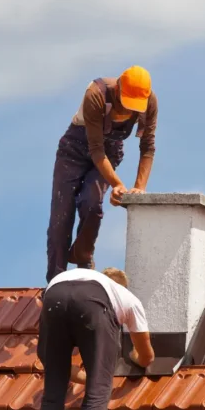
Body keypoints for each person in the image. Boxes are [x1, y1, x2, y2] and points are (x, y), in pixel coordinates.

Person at [37, 266, 155, 410]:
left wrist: (78, 377)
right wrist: (135, 358)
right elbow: (147, 355)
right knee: (100, 386)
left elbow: (47, 358)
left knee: (54, 386)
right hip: (89, 307)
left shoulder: (72, 278)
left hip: (52, 297)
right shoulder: (127, 298)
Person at [46, 66, 158, 283]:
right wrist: (117, 183)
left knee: (92, 202)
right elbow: (95, 148)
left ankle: (84, 262)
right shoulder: (96, 94)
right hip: (74, 150)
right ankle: (55, 281)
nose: (130, 110)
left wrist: (138, 188)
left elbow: (148, 147)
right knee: (61, 217)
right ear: (118, 89)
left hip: (110, 151)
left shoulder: (149, 102)